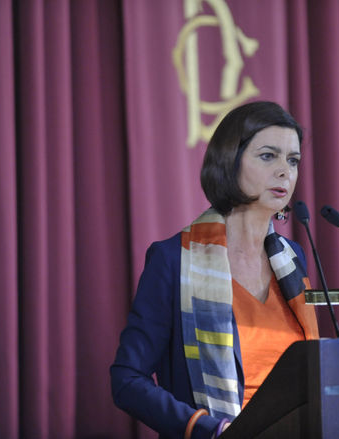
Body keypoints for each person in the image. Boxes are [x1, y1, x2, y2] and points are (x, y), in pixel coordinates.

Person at [110, 101, 320, 439]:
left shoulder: (292, 260)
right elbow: (127, 380)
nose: (285, 171)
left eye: (292, 160)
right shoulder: (172, 259)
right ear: (230, 161)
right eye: (268, 156)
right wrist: (208, 430)